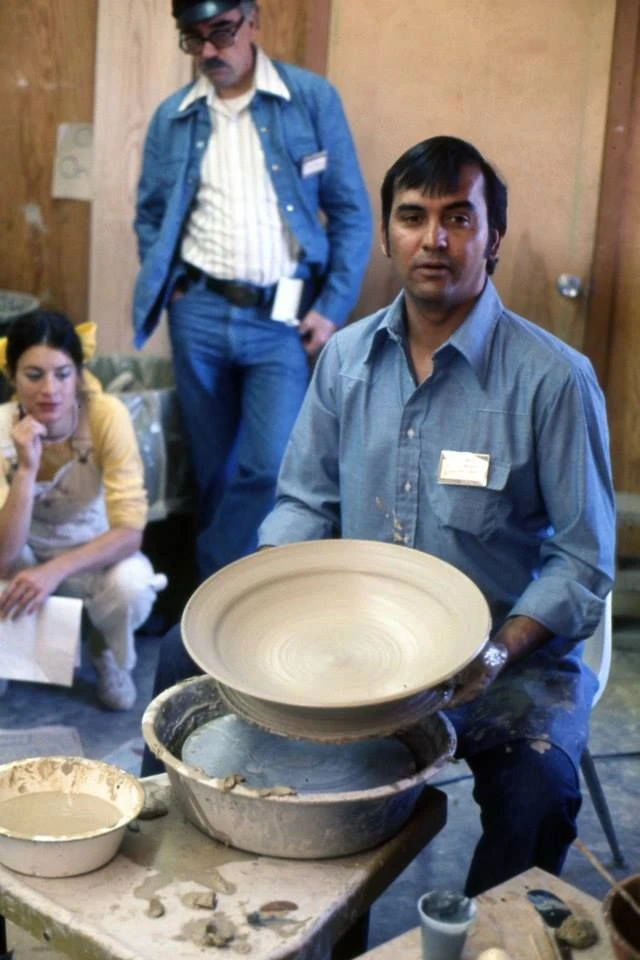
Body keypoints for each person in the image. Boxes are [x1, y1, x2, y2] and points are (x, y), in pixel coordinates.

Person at [139, 136, 615, 897]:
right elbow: (302, 501)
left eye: (459, 218)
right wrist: (270, 613)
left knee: (539, 794)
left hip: (500, 663)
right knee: (180, 661)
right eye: (413, 216)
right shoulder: (347, 357)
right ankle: (181, 897)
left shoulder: (554, 379)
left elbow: (584, 561)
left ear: (494, 239)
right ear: (389, 235)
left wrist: (497, 652)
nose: (435, 238)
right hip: (359, 649)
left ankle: (483, 942)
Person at [133, 0, 372, 580]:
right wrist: (176, 295)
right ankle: (217, 609)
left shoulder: (310, 100)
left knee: (269, 468)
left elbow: (351, 212)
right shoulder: (174, 117)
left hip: (283, 320)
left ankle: (224, 589)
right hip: (201, 314)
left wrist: (332, 307)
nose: (210, 51)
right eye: (194, 39)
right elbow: (150, 215)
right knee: (212, 469)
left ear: (251, 19)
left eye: (221, 32)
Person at [0, 311, 167, 710]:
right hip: (22, 552)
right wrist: (25, 468)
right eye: (33, 375)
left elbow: (129, 531)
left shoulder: (106, 414)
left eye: (62, 373)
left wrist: (54, 571)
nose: (50, 390)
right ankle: (11, 655)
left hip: (92, 543)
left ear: (78, 373)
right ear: (12, 376)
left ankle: (104, 648)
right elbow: (4, 553)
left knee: (133, 585)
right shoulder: (2, 427)